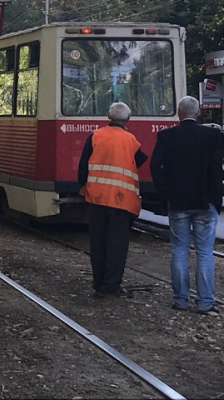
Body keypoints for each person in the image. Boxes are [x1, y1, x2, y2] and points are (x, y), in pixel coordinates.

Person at [150, 96, 223, 314]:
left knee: (179, 251)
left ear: (179, 113)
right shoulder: (211, 135)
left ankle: (181, 300)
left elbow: (155, 166)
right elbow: (216, 171)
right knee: (204, 252)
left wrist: (165, 193)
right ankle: (205, 302)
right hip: (205, 203)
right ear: (198, 112)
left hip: (178, 202)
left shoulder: (166, 136)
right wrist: (215, 198)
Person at [77, 102, 147, 299]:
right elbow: (140, 160)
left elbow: (83, 165)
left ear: (108, 115)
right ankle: (111, 285)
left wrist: (82, 186)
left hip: (96, 197)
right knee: (116, 244)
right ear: (128, 119)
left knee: (97, 243)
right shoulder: (131, 140)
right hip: (121, 200)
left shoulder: (95, 136)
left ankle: (98, 283)